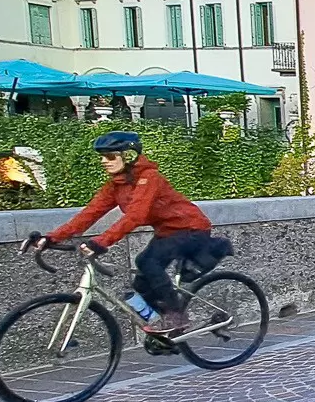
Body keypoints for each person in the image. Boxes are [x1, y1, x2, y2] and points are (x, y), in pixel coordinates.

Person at [28, 131, 229, 335]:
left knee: (148, 263)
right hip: (167, 232)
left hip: (191, 228)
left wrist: (101, 242)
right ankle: (170, 332)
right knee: (141, 283)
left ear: (129, 156)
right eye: (102, 157)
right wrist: (52, 237)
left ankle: (176, 316)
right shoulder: (116, 184)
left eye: (110, 156)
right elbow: (89, 214)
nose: (104, 162)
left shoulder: (149, 177)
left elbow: (136, 216)